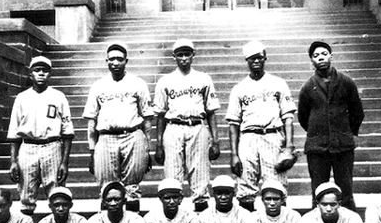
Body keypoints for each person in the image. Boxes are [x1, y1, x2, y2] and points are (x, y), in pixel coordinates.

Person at [226, 40, 297, 212]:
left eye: (259, 58)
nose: (256, 61)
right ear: (247, 61)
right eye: (252, 59)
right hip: (248, 137)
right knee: (246, 184)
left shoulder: (278, 83)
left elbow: (288, 117)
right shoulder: (239, 88)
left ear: (265, 58)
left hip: (272, 135)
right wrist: (234, 154)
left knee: (276, 184)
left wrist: (288, 146)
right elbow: (233, 123)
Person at [83, 42, 154, 212]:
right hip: (106, 136)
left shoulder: (138, 83)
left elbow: (147, 118)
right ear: (106, 61)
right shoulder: (98, 86)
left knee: (132, 187)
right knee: (107, 187)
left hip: (132, 134)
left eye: (119, 59)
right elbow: (91, 121)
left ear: (126, 61)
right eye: (112, 59)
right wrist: (92, 151)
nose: (115, 63)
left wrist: (147, 147)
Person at [154, 39, 220, 213]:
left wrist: (216, 140)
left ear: (193, 55)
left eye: (187, 54)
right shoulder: (165, 81)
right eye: (180, 54)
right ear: (174, 56)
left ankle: (201, 222)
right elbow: (160, 115)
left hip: (197, 126)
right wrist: (158, 144)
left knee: (200, 176)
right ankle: (177, 222)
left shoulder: (203, 78)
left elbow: (211, 111)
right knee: (172, 177)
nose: (184, 58)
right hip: (173, 127)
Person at [298, 41, 364, 211]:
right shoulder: (307, 87)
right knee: (318, 190)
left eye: (324, 53)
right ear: (311, 61)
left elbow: (357, 111)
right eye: (315, 55)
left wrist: (348, 132)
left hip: (343, 145)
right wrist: (318, 132)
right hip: (317, 148)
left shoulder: (346, 82)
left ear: (331, 56)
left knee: (346, 189)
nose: (320, 57)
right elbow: (303, 116)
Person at [8, 56, 74, 215]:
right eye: (37, 70)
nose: (41, 74)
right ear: (31, 73)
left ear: (50, 74)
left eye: (45, 70)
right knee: (26, 194)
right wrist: (13, 161)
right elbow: (14, 133)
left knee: (57, 193)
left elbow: (67, 132)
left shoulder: (58, 97)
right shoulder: (22, 98)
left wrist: (65, 162)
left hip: (52, 146)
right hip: (28, 147)